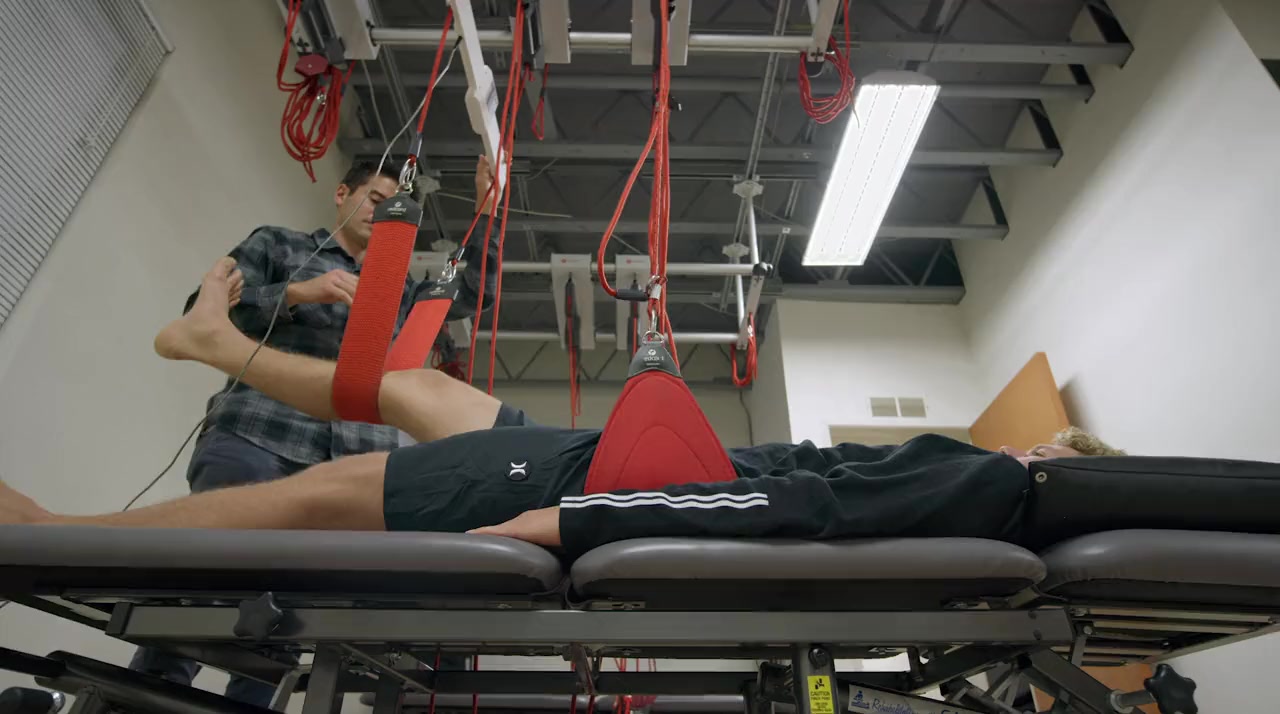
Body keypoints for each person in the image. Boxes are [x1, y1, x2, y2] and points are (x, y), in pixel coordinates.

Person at [0, 258, 1129, 557]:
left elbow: (798, 507)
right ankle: (217, 343)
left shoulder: (993, 482)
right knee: (412, 387)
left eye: (1052, 445)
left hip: (616, 483)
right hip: (627, 462)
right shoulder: (982, 489)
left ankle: (62, 535)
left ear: (1059, 465)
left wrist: (574, 519)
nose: (1033, 441)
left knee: (318, 494)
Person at [126, 158, 502, 707]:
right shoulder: (280, 246)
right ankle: (139, 701)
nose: (381, 214)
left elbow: (473, 289)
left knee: (282, 618)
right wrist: (300, 293)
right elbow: (201, 316)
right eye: (374, 200)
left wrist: (489, 210)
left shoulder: (398, 292)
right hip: (260, 435)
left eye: (395, 211)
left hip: (349, 464)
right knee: (202, 590)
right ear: (342, 193)